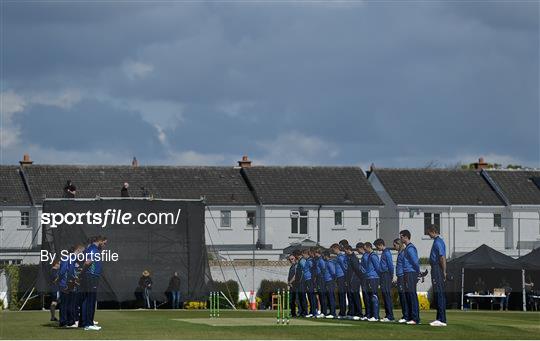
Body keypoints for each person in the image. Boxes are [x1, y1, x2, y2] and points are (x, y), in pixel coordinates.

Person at [80, 235, 107, 331]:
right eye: (104, 243)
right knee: (90, 300)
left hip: (89, 276)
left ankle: (84, 323)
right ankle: (88, 324)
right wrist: (82, 272)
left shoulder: (89, 248)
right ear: (100, 241)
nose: (104, 246)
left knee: (86, 300)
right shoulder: (93, 249)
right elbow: (88, 262)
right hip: (91, 276)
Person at [427, 225, 447, 327]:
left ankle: (441, 319)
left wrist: (443, 271)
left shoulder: (438, 242)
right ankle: (440, 318)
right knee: (438, 293)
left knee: (439, 293)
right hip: (436, 268)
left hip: (437, 268)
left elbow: (442, 257)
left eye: (429, 232)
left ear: (433, 231)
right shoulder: (437, 241)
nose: (428, 234)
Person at [400, 229, 421, 325]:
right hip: (407, 273)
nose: (400, 239)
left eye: (401, 237)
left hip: (411, 273)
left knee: (412, 295)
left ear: (405, 237)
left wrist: (418, 272)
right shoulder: (407, 248)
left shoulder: (410, 248)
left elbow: (415, 261)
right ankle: (411, 316)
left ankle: (415, 318)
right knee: (409, 295)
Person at [375, 238, 394, 322]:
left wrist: (391, 275)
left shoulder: (387, 253)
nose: (377, 248)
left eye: (377, 246)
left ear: (380, 245)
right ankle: (388, 314)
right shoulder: (384, 253)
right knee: (384, 295)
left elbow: (390, 265)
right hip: (383, 275)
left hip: (386, 275)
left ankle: (390, 316)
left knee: (387, 295)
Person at [344, 245, 362, 320]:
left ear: (348, 250)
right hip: (350, 280)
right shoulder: (349, 258)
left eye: (345, 250)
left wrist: (358, 278)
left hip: (354, 280)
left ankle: (359, 313)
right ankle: (353, 312)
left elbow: (357, 269)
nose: (344, 252)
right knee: (351, 297)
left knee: (355, 296)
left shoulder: (353, 258)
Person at [363, 242, 380, 322]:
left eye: (365, 247)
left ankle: (376, 316)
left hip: (373, 278)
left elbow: (377, 267)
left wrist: (378, 278)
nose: (364, 249)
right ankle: (372, 315)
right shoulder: (369, 255)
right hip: (369, 277)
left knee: (374, 296)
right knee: (370, 297)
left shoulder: (373, 256)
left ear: (368, 247)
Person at [393, 238, 409, 323]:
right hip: (400, 276)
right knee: (402, 296)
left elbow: (404, 265)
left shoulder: (403, 253)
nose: (394, 247)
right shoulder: (400, 253)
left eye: (395, 245)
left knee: (403, 297)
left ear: (399, 244)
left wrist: (402, 276)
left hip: (402, 276)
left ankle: (406, 316)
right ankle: (405, 315)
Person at [330, 243, 348, 319]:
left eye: (333, 249)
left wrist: (346, 278)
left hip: (341, 277)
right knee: (340, 295)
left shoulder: (341, 257)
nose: (332, 251)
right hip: (339, 277)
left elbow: (344, 267)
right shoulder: (338, 257)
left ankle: (343, 313)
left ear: (336, 248)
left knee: (342, 295)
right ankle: (342, 312)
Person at [356, 242, 370, 321]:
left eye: (358, 249)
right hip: (364, 277)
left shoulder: (366, 256)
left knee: (366, 295)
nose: (358, 251)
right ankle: (367, 313)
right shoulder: (365, 256)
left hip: (365, 277)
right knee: (365, 295)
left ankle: (368, 313)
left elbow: (366, 268)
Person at [322, 250, 337, 319]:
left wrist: (333, 281)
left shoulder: (329, 263)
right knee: (329, 297)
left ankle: (333, 313)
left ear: (325, 256)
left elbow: (333, 272)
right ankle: (331, 311)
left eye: (323, 256)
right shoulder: (327, 262)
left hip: (330, 281)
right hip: (327, 281)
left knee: (331, 297)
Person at [313, 247, 327, 318]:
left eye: (315, 253)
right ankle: (322, 311)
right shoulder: (317, 260)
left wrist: (321, 277)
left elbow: (324, 270)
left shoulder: (321, 260)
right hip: (318, 278)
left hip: (321, 279)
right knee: (320, 296)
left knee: (322, 296)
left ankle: (324, 312)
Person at [287, 253, 298, 317]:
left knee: (296, 300)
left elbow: (295, 275)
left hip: (295, 285)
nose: (291, 260)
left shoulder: (296, 266)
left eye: (292, 259)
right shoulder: (291, 266)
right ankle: (293, 312)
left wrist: (290, 282)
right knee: (291, 300)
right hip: (291, 286)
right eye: (290, 259)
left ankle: (298, 312)